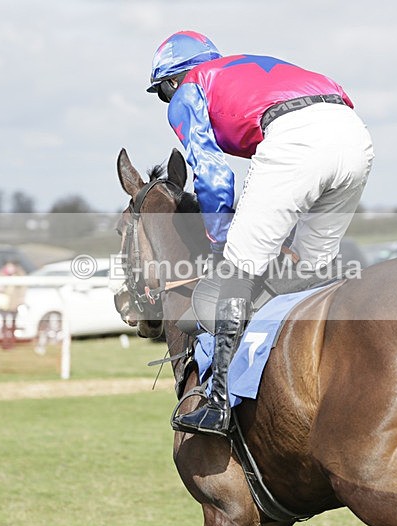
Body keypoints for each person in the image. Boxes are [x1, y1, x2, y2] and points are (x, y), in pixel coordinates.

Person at [148, 31, 374, 436]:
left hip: (295, 139)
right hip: (354, 135)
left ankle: (217, 405)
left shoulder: (189, 88)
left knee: (237, 269)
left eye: (164, 92)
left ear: (173, 80)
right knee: (310, 272)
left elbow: (214, 176)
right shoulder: (245, 68)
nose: (170, 100)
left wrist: (221, 243)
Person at [0, 259, 26, 349]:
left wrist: (21, 299)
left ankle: (12, 341)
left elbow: (23, 288)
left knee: (13, 323)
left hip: (15, 302)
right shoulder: (1, 274)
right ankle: (4, 341)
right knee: (4, 323)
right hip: (3, 303)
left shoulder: (20, 274)